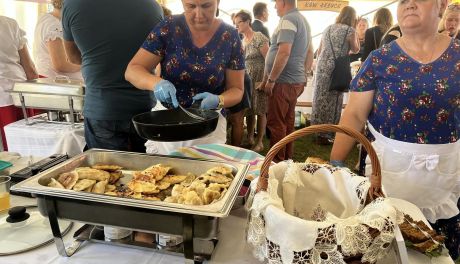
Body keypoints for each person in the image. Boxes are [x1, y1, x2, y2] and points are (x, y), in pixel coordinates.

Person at [330, 0, 459, 260]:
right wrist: (335, 162)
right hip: (386, 175)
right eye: (402, 0)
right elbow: (354, 114)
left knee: (434, 254)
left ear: (442, 4)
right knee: (382, 251)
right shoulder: (379, 59)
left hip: (444, 179)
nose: (409, 4)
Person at [125, 0, 245, 155]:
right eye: (191, 6)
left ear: (218, 2)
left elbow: (237, 89)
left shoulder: (230, 36)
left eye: (206, 6)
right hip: (166, 124)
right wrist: (157, 83)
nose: (199, 14)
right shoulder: (168, 27)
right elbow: (133, 70)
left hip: (208, 126)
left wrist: (219, 100)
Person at [62, 0, 163, 152]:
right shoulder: (152, 6)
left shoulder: (73, 4)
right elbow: (158, 56)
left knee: (106, 173)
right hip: (145, 109)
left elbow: (73, 57)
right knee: (148, 173)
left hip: (102, 108)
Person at [261, 0, 312, 162]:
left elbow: (283, 52)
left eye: (275, 2)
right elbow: (310, 51)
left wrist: (271, 79)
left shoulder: (288, 20)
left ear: (282, 1)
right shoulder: (303, 20)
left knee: (277, 123)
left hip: (283, 82)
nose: (275, 7)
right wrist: (304, 73)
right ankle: (286, 159)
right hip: (294, 80)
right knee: (287, 122)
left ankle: (276, 163)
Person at [311, 6, 360, 145]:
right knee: (334, 100)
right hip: (336, 67)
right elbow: (356, 49)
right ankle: (328, 133)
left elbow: (320, 50)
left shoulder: (327, 28)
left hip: (322, 66)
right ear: (352, 18)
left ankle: (316, 131)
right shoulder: (350, 30)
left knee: (320, 97)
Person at [0, 16, 39, 151]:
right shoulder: (10, 24)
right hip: (16, 94)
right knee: (22, 151)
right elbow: (31, 71)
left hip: (8, 96)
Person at [234, 10, 269, 152]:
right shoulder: (242, 41)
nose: (236, 26)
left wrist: (265, 81)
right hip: (247, 80)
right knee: (249, 110)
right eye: (235, 24)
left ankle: (260, 142)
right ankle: (250, 138)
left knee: (260, 110)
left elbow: (269, 60)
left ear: (248, 21)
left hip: (260, 78)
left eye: (239, 23)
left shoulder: (259, 37)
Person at [33, 0, 81, 80]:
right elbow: (61, 64)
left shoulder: (46, 18)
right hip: (57, 83)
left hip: (54, 81)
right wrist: (87, 65)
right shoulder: (54, 26)